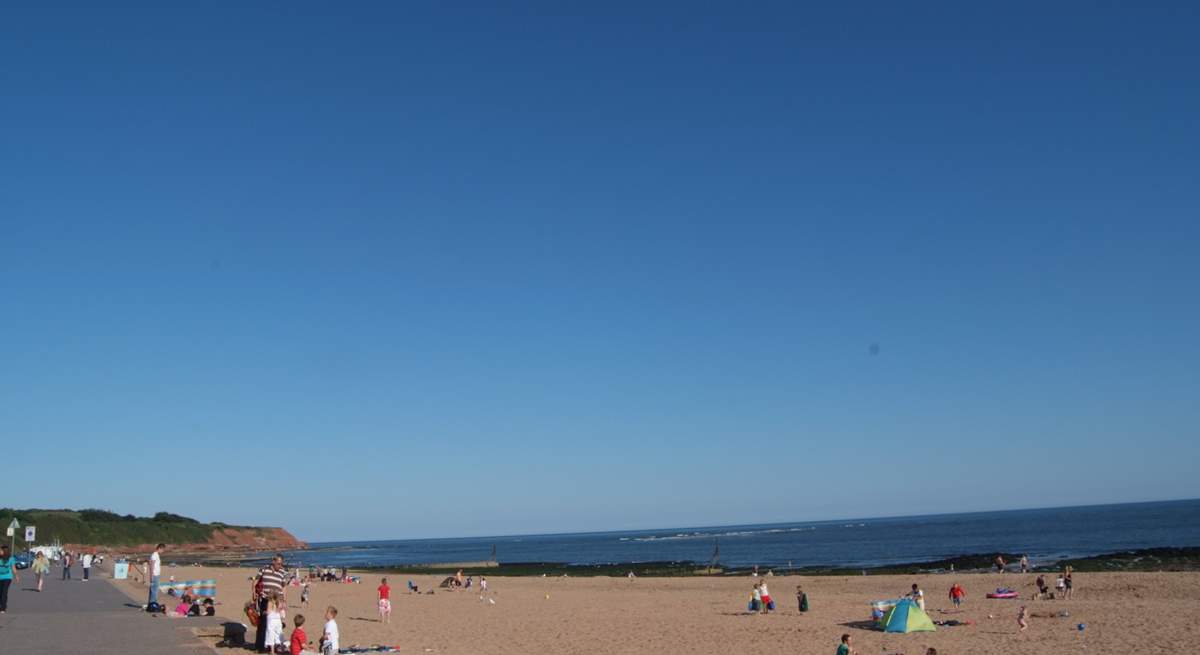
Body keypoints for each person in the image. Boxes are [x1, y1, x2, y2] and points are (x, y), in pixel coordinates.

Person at [254, 554, 291, 653]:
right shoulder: (264, 569)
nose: (280, 566)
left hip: (277, 601)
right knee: (263, 623)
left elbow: (284, 587)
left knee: (276, 625)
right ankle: (261, 647)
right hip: (265, 599)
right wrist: (253, 592)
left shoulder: (282, 572)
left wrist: (284, 600)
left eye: (281, 564)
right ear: (273, 561)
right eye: (278, 563)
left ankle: (273, 646)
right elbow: (256, 580)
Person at [0, 545, 19, 613]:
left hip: (7, 577)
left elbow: (13, 568)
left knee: (4, 592)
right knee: (0, 592)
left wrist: (16, 576)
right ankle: (2, 604)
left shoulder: (11, 558)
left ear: (4, 551)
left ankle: (3, 608)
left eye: (1, 550)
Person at [148, 543, 164, 609]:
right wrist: (151, 576)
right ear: (159, 548)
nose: (163, 551)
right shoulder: (154, 555)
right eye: (162, 550)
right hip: (155, 575)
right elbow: (152, 565)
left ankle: (151, 604)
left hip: (156, 574)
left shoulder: (156, 555)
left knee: (154, 590)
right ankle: (152, 604)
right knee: (154, 590)